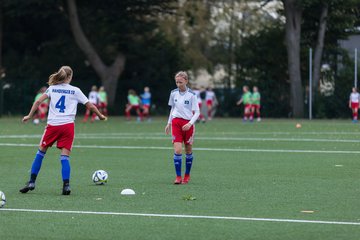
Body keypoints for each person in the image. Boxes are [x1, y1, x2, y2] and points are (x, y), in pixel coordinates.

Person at [19, 66, 107, 195]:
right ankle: (66, 186)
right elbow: (90, 105)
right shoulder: (75, 90)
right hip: (67, 126)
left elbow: (38, 101)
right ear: (70, 77)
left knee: (40, 153)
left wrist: (29, 115)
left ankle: (31, 182)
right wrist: (100, 115)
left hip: (53, 126)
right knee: (64, 157)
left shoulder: (52, 88)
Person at [165, 71, 200, 184]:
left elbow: (197, 112)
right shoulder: (173, 93)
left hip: (188, 124)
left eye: (180, 82)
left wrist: (190, 123)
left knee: (188, 150)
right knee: (178, 150)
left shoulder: (192, 95)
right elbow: (172, 109)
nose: (178, 84)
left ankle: (187, 175)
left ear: (186, 81)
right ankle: (178, 177)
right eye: (176, 82)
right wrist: (169, 123)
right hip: (176, 123)